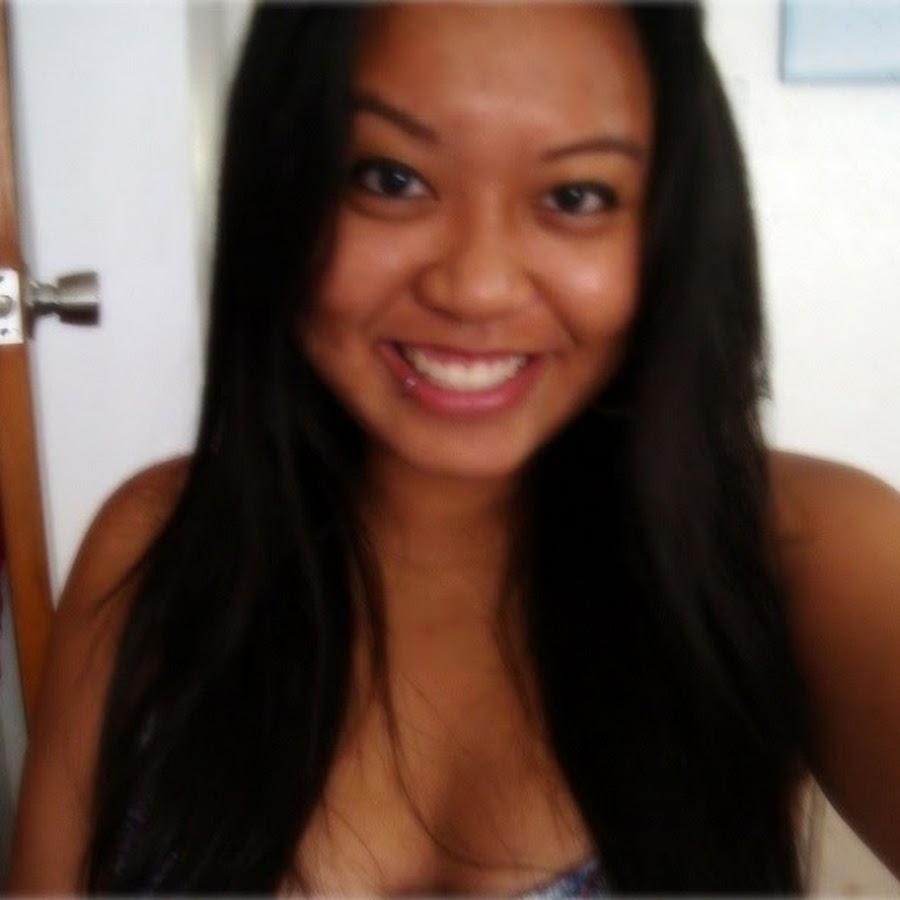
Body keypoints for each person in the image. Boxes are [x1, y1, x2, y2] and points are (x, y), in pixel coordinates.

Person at [8, 2, 900, 894]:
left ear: (672, 225)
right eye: (390, 179)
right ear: (280, 188)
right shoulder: (153, 547)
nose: (476, 286)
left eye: (575, 196)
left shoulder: (806, 551)